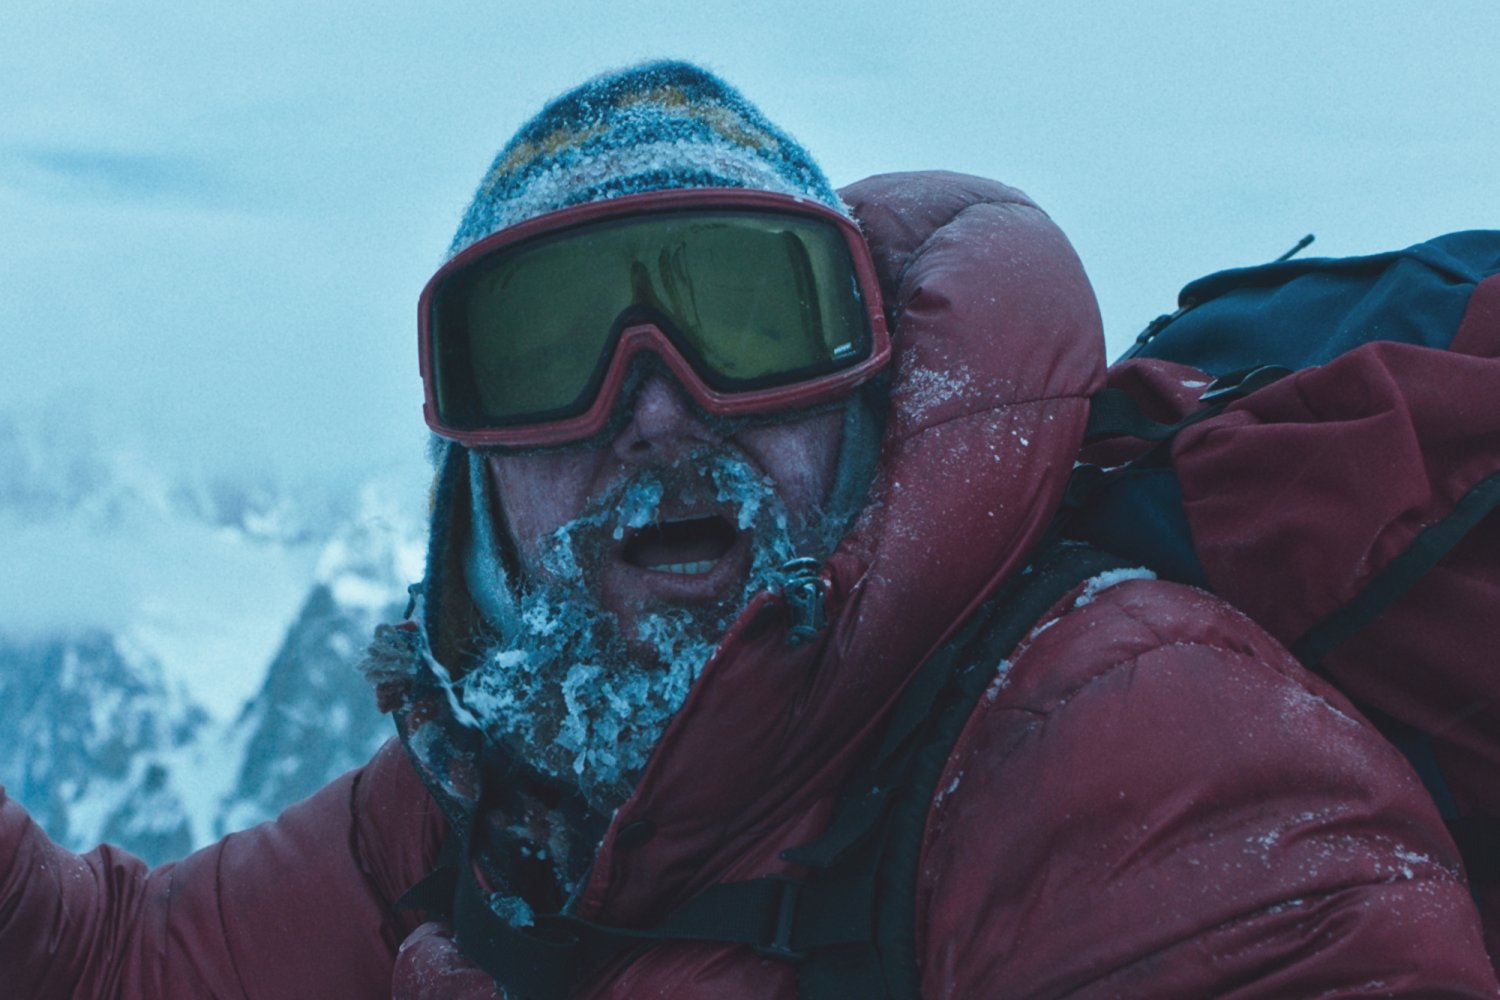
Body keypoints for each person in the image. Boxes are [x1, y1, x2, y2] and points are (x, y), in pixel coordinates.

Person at [2, 60, 1497, 999]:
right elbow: (107, 965)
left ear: (866, 384)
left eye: (750, 321)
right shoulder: (506, 774)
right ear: (475, 482)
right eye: (544, 356)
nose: (654, 411)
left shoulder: (1130, 742)